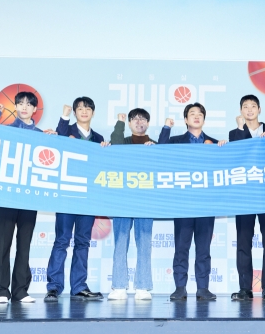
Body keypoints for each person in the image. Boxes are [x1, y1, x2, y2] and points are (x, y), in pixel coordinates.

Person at [158, 102, 226, 301]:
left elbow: (226, 168)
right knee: (181, 247)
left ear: (204, 119)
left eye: (200, 114)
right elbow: (160, 152)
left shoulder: (214, 143)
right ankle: (180, 287)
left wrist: (223, 149)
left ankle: (203, 288)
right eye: (192, 114)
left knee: (203, 249)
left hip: (206, 204)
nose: (196, 116)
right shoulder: (176, 141)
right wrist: (166, 128)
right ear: (186, 119)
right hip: (183, 203)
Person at [44, 97, 107, 302]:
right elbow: (56, 140)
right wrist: (63, 117)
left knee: (83, 242)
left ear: (93, 112)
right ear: (74, 112)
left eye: (88, 108)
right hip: (67, 195)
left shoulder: (98, 138)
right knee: (62, 240)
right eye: (79, 108)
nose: (84, 111)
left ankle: (79, 286)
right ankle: (53, 287)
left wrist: (107, 150)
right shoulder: (66, 131)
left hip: (88, 198)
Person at [0, 92, 43, 304]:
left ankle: (20, 291)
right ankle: (0, 290)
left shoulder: (41, 134)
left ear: (35, 109)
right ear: (15, 106)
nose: (25, 107)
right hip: (7, 195)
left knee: (24, 244)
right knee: (4, 243)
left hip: (30, 197)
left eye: (29, 104)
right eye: (20, 103)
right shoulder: (6, 130)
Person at [228, 95, 265, 301]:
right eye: (245, 107)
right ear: (240, 111)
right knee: (243, 243)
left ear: (259, 109)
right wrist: (242, 129)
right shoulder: (235, 133)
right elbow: (241, 155)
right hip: (244, 196)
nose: (249, 110)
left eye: (252, 106)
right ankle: (245, 288)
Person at [106, 108, 156, 301]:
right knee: (120, 242)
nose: (139, 121)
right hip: (122, 198)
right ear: (129, 123)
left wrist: (156, 149)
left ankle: (143, 286)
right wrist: (119, 123)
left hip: (145, 199)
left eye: (143, 118)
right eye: (134, 119)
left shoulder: (154, 145)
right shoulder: (123, 141)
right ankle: (119, 286)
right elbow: (115, 146)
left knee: (144, 243)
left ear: (148, 123)